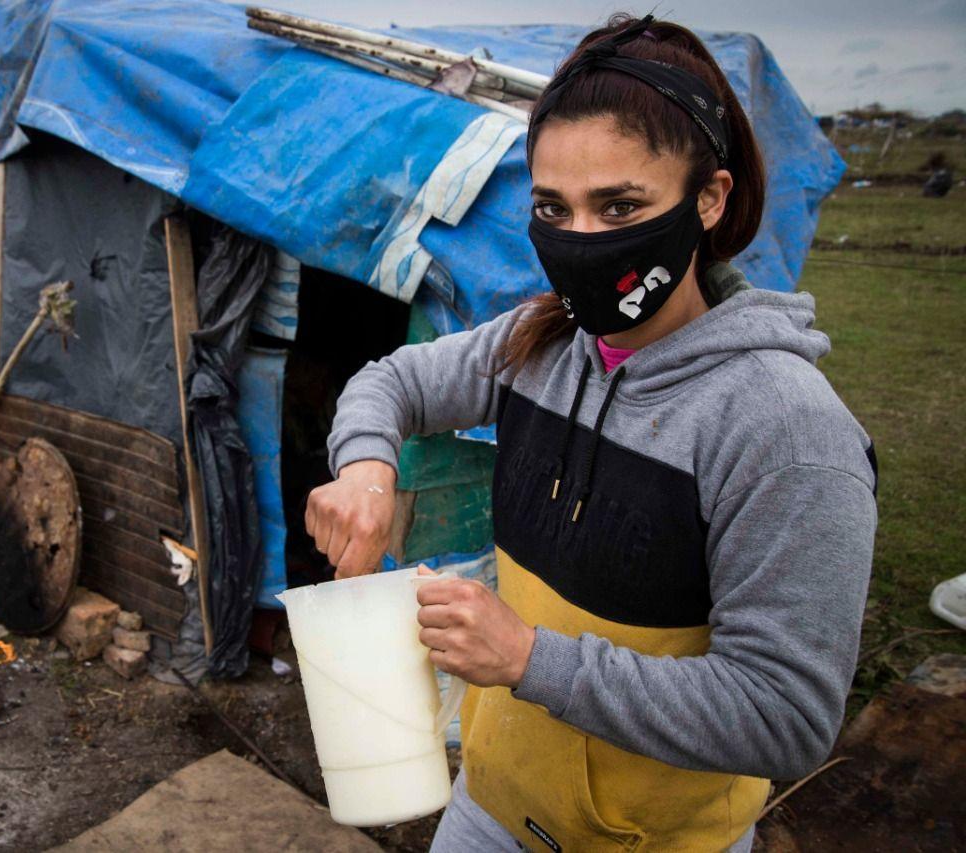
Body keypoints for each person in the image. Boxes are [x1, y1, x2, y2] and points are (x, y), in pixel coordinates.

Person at [305, 14, 877, 852]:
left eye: (620, 205)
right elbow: (392, 381)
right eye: (552, 208)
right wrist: (364, 470)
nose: (580, 245)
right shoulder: (539, 342)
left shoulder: (786, 431)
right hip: (488, 809)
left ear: (709, 199)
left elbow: (785, 716)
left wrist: (531, 658)